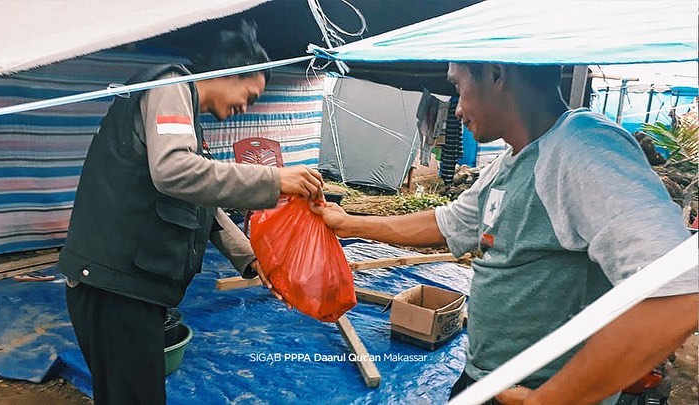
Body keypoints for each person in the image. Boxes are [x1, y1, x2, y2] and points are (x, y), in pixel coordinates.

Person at [311, 62, 698, 404]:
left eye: (459, 87)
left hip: (537, 389)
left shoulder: (581, 145)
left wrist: (554, 398)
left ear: (496, 74)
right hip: (487, 378)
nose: (457, 109)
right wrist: (348, 223)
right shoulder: (513, 158)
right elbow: (447, 223)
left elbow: (678, 288)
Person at [58, 22, 323, 405]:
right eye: (250, 94)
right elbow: (174, 172)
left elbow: (202, 202)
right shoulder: (169, 87)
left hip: (127, 289)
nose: (247, 106)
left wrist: (251, 258)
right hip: (112, 288)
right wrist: (274, 179)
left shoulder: (187, 118)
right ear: (231, 72)